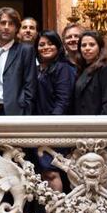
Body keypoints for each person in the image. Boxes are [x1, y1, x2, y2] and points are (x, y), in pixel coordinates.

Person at [35, 30, 75, 192]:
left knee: (52, 172)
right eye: (41, 44)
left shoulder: (63, 68)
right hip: (37, 127)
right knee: (43, 173)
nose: (46, 47)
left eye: (50, 43)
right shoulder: (38, 69)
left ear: (58, 46)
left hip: (53, 127)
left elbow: (63, 100)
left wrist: (50, 126)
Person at [0, 7, 37, 115]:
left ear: (16, 28)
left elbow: (30, 86)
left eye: (11, 24)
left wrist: (26, 114)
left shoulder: (25, 50)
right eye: (3, 23)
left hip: (15, 111)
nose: (6, 27)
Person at [74, 30, 107, 115]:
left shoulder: (104, 69)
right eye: (83, 45)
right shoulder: (81, 69)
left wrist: (101, 124)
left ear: (100, 48)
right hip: (81, 121)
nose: (87, 48)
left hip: (97, 123)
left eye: (92, 45)